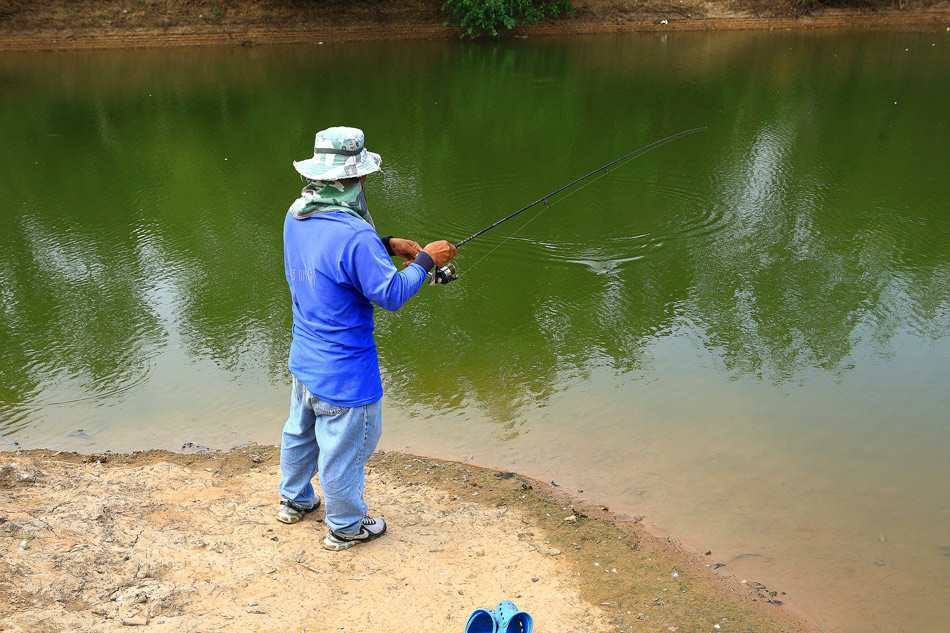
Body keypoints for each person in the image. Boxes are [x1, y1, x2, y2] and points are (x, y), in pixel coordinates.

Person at [277, 126, 457, 551]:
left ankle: (294, 500)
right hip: (345, 374)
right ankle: (345, 526)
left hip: (304, 356)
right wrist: (428, 259)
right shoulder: (353, 235)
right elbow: (391, 295)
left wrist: (387, 244)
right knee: (346, 450)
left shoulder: (297, 214)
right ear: (354, 179)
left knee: (299, 433)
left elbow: (327, 258)